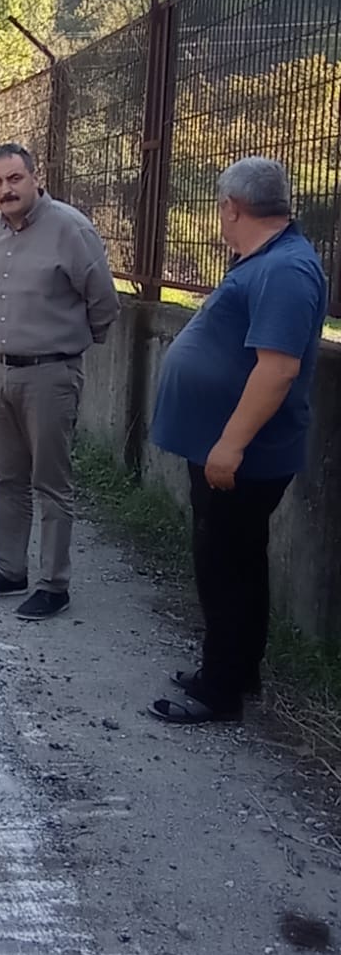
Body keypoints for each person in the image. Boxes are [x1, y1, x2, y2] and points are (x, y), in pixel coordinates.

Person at [148, 157, 327, 726]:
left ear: (232, 207)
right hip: (226, 449)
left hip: (241, 455)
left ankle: (219, 690)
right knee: (238, 560)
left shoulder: (287, 271)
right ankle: (236, 669)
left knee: (223, 563)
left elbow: (276, 371)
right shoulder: (266, 260)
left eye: (220, 209)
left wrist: (229, 445)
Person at [0, 144, 120, 620]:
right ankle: (10, 570)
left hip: (50, 373)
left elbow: (104, 304)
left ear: (35, 178)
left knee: (50, 482)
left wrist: (65, 348)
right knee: (7, 477)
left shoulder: (70, 229)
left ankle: (54, 584)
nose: (5, 190)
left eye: (14, 179)